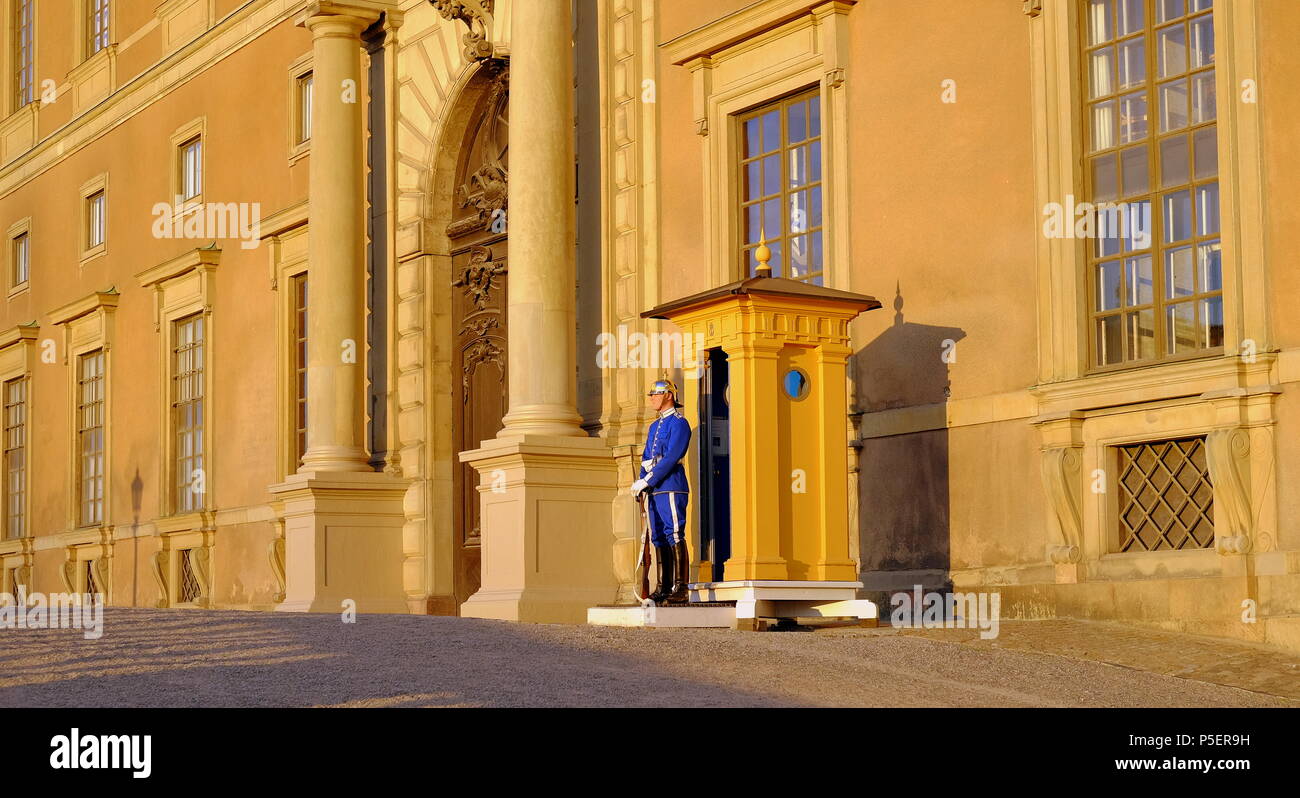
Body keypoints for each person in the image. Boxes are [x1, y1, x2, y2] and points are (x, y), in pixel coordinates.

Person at [630, 378, 692, 604]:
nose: (652, 399)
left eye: (655, 394)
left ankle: (680, 587)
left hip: (671, 485)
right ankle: (663, 587)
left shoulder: (679, 423)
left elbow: (672, 457)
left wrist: (650, 479)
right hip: (655, 488)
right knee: (657, 536)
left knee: (674, 532)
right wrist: (641, 482)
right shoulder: (654, 426)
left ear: (668, 395)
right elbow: (648, 457)